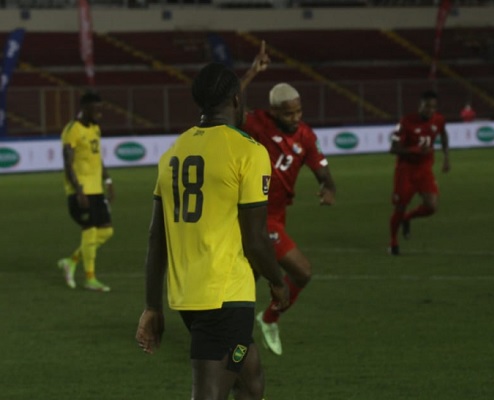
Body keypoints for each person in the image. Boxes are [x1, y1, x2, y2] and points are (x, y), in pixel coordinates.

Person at [135, 63, 289, 400]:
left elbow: (155, 237)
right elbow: (256, 239)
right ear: (236, 100)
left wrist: (152, 306)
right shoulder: (248, 151)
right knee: (209, 392)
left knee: (249, 373)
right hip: (226, 296)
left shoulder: (173, 153)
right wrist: (278, 282)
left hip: (188, 297)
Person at [240, 41, 336, 356]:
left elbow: (321, 166)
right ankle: (268, 318)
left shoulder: (306, 135)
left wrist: (328, 186)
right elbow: (229, 105)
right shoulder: (258, 125)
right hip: (258, 215)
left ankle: (231, 334)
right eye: (288, 113)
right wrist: (253, 71)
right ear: (274, 111)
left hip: (278, 214)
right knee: (302, 272)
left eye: (298, 111)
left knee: (246, 278)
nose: (295, 117)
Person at [57, 91, 114, 292]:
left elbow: (97, 158)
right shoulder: (72, 130)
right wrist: (78, 189)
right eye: (96, 109)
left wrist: (107, 180)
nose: (100, 113)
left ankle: (71, 261)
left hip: (96, 189)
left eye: (101, 109)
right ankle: (90, 278)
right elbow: (67, 162)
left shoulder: (95, 129)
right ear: (84, 108)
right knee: (90, 231)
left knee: (106, 230)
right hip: (80, 191)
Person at [388, 90, 450, 256]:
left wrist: (446, 157)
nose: (430, 110)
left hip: (424, 170)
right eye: (427, 106)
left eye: (433, 107)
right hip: (405, 171)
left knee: (431, 206)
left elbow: (443, 134)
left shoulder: (439, 120)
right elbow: (393, 149)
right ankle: (393, 242)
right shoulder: (405, 122)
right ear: (420, 106)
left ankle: (408, 218)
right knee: (399, 207)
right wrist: (414, 150)